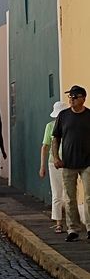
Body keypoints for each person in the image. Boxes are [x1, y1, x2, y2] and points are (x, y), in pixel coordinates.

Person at [52, 85, 90, 242]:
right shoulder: (63, 115)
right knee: (69, 197)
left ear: (83, 98)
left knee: (89, 197)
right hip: (68, 162)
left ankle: (89, 227)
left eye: (74, 97)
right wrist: (55, 157)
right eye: (70, 97)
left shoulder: (89, 115)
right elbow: (56, 138)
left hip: (88, 162)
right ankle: (72, 229)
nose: (71, 100)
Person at [40, 99, 68, 234]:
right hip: (54, 163)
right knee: (57, 194)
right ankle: (58, 222)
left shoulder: (69, 126)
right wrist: (42, 166)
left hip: (69, 162)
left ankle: (70, 222)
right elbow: (45, 147)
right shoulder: (50, 126)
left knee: (69, 194)